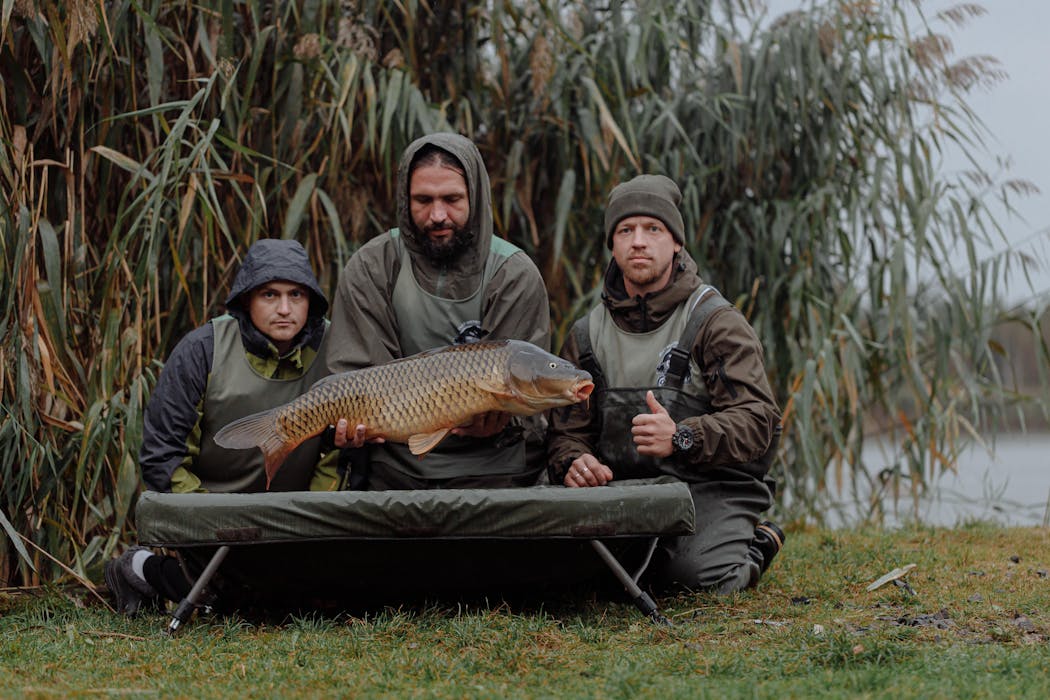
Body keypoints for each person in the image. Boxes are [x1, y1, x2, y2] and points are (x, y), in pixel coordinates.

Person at [546, 174, 785, 593]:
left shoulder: (715, 322)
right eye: (625, 230)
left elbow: (759, 421)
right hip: (629, 487)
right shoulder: (586, 335)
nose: (638, 241)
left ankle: (756, 547)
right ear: (613, 244)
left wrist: (684, 437)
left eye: (653, 229)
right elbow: (567, 432)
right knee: (571, 576)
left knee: (694, 578)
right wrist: (574, 463)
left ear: (676, 243)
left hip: (711, 484)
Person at [105, 238, 336, 615]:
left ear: (311, 300)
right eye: (269, 295)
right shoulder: (202, 349)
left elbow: (338, 454)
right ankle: (137, 566)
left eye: (296, 295)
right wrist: (213, 522)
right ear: (247, 299)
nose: (284, 309)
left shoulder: (334, 346)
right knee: (230, 601)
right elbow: (163, 455)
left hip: (298, 520)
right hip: (212, 518)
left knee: (297, 602)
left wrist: (311, 521)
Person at [326, 132, 551, 489]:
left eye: (452, 199)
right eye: (423, 200)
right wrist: (352, 424)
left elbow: (530, 393)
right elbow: (359, 380)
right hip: (397, 463)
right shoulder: (372, 266)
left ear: (475, 197)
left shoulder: (513, 274)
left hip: (493, 465)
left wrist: (504, 417)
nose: (437, 215)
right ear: (405, 199)